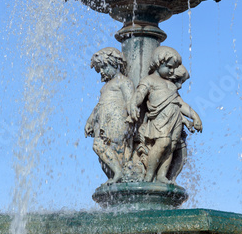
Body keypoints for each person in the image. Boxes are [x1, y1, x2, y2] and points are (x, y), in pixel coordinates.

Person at [129, 46, 202, 183]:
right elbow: (139, 94)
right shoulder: (149, 80)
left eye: (174, 68)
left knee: (171, 146)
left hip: (175, 119)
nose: (172, 71)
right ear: (158, 63)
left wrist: (194, 116)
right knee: (163, 142)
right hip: (160, 119)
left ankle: (162, 175)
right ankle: (149, 174)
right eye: (169, 67)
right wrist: (133, 105)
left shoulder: (171, 85)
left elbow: (180, 103)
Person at [85, 47, 136, 182]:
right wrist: (90, 121)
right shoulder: (105, 86)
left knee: (105, 145)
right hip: (104, 121)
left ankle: (118, 172)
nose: (101, 72)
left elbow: (130, 100)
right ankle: (116, 174)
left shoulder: (124, 81)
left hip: (117, 119)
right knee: (106, 147)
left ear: (114, 63)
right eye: (99, 69)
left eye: (103, 67)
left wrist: (132, 115)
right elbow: (99, 105)